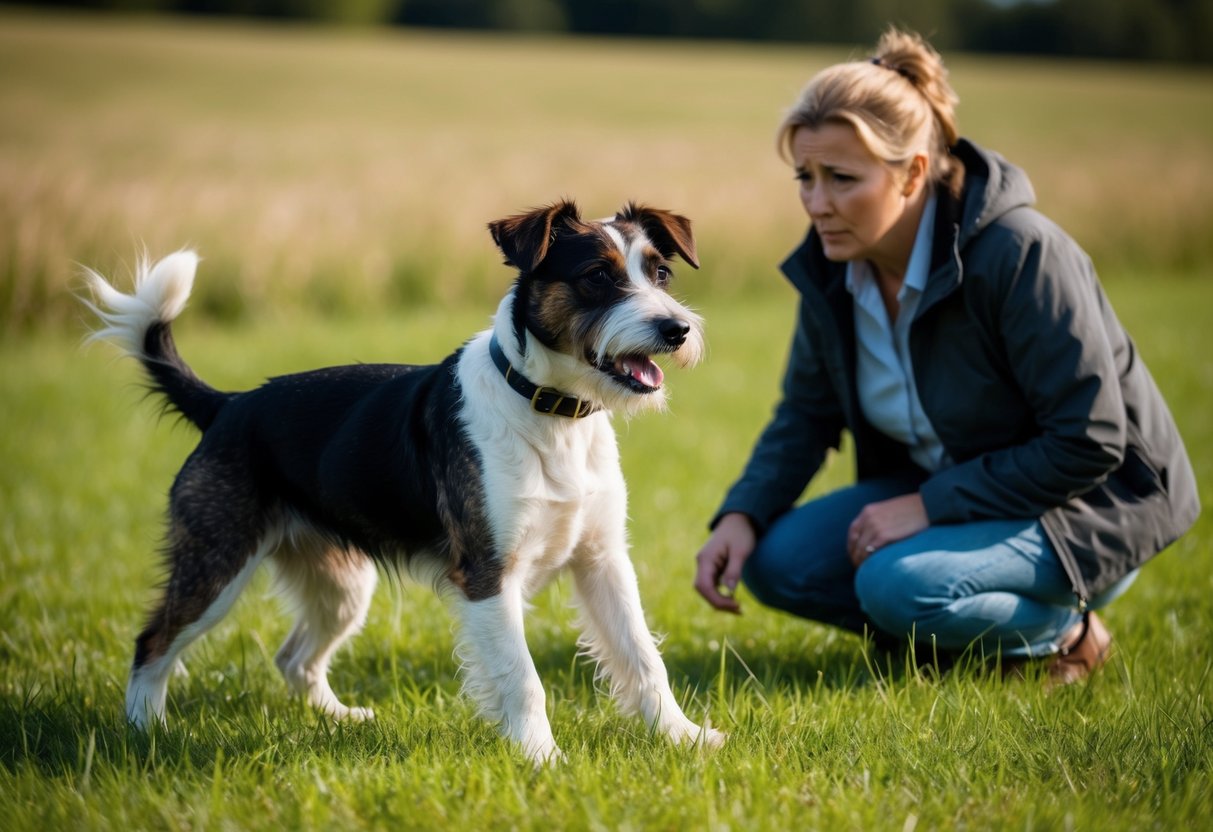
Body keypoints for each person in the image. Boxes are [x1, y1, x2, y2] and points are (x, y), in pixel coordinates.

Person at [693, 28, 1199, 684]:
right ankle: (952, 635)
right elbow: (805, 415)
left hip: (1089, 504)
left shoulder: (1019, 255)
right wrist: (741, 513)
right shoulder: (832, 262)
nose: (816, 205)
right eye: (805, 178)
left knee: (895, 586)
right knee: (772, 559)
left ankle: (1066, 633)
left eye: (842, 179)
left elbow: (1090, 440)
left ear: (911, 173)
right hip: (955, 492)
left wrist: (930, 506)